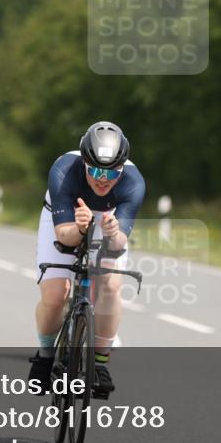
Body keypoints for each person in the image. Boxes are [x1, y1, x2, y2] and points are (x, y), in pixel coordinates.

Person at [28, 121, 145, 397]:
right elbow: (65, 236)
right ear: (84, 163)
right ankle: (45, 356)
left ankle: (101, 362)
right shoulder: (63, 170)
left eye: (111, 173)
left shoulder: (134, 182)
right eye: (94, 170)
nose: (102, 179)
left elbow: (118, 244)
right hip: (68, 216)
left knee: (110, 285)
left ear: (122, 168)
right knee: (57, 293)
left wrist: (113, 231)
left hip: (108, 218)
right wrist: (81, 228)